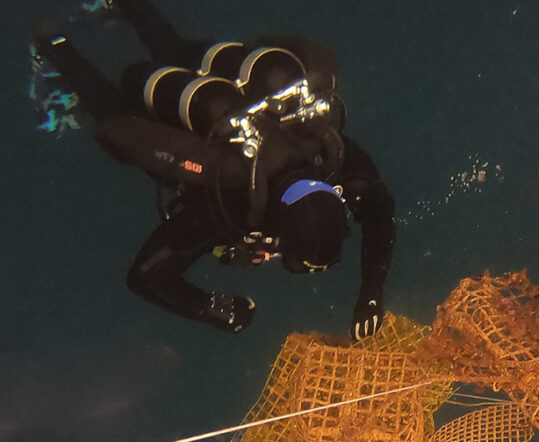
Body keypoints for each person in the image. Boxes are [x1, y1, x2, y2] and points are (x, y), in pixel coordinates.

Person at [33, 0, 394, 340]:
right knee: (110, 109)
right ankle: (51, 43)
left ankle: (110, 13)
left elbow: (380, 211)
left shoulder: (330, 155)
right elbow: (145, 276)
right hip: (185, 139)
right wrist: (217, 309)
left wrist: (372, 290)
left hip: (235, 106)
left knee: (173, 49)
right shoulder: (229, 204)